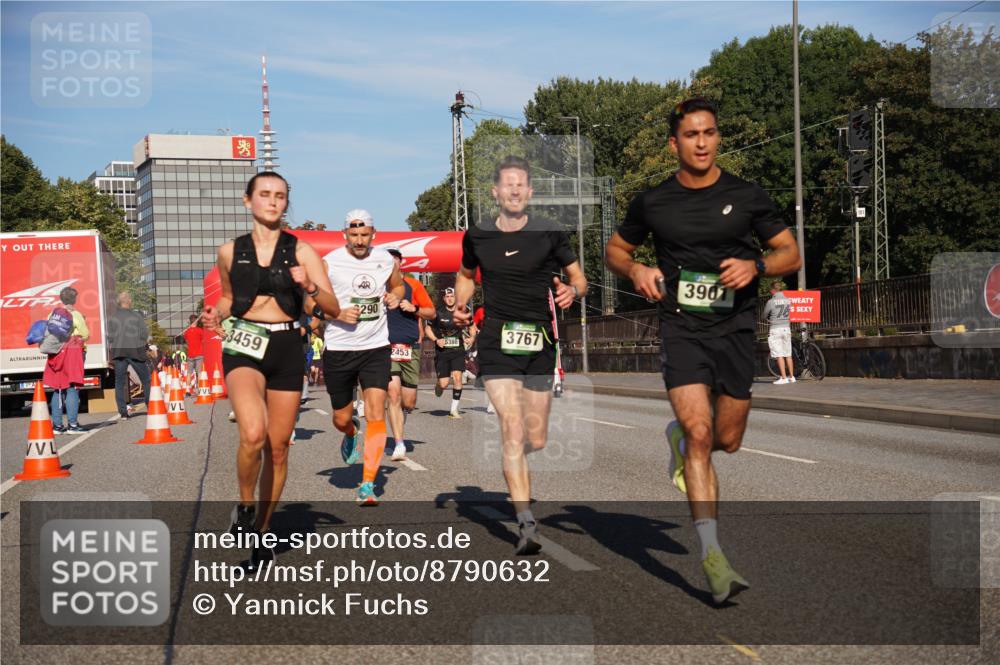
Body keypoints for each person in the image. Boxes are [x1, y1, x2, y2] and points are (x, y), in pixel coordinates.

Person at [605, 97, 801, 604]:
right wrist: (638, 270)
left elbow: (790, 252)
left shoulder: (747, 195)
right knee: (699, 434)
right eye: (691, 135)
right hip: (681, 327)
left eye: (709, 133)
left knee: (727, 441)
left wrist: (756, 267)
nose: (701, 142)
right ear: (675, 143)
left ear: (717, 138)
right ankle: (713, 555)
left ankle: (681, 441)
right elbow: (615, 250)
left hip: (735, 329)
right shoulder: (653, 202)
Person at [202, 171, 340, 566]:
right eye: (264, 194)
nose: (273, 202)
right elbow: (229, 298)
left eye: (280, 196)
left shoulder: (302, 251)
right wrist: (215, 313)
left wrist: (309, 287)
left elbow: (331, 308)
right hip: (244, 343)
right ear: (248, 201)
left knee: (278, 449)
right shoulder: (229, 251)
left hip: (286, 344)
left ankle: (262, 530)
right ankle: (246, 507)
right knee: (253, 433)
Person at [453, 155, 586, 554]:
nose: (513, 190)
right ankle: (526, 523)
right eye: (506, 184)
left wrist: (572, 291)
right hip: (496, 342)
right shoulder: (478, 235)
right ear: (495, 192)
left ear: (529, 192)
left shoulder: (548, 233)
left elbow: (580, 277)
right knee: (512, 428)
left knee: (537, 438)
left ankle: (518, 465)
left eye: (520, 184)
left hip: (539, 344)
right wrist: (462, 305)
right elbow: (464, 274)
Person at [321, 209, 405, 505]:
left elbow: (397, 284)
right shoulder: (329, 262)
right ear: (344, 234)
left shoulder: (384, 259)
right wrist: (335, 312)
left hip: (375, 347)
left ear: (373, 233)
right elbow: (308, 303)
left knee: (376, 411)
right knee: (341, 417)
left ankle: (367, 484)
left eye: (364, 235)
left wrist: (396, 295)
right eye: (354, 235)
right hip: (339, 348)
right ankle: (350, 431)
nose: (359, 240)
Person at [384, 247, 436, 461]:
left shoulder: (414, 285)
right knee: (393, 394)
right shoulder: (377, 285)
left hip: (410, 347)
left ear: (401, 263)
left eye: (394, 261)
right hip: (385, 347)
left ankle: (401, 420)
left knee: (409, 401)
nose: (391, 265)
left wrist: (413, 308)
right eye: (387, 261)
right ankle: (398, 443)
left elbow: (431, 312)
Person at [43, 287, 89, 434]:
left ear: (61, 299)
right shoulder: (75, 314)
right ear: (74, 299)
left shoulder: (53, 314)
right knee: (72, 387)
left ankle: (57, 426)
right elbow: (85, 334)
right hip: (72, 352)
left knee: (58, 388)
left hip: (56, 352)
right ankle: (73, 425)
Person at [426, 287, 472, 419]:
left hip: (458, 350)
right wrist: (436, 339)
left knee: (458, 378)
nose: (450, 298)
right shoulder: (437, 312)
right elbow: (428, 328)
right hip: (442, 351)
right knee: (444, 383)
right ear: (444, 298)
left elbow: (472, 326)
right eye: (447, 297)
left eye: (452, 296)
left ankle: (453, 409)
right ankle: (439, 385)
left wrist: (472, 337)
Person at [107, 291, 150, 418]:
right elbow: (144, 334)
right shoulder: (136, 316)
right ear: (129, 301)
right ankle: (150, 405)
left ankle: (123, 412)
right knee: (146, 380)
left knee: (119, 382)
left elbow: (110, 337)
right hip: (135, 350)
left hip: (119, 351)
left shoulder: (113, 317)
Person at [764, 280, 795, 384]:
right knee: (788, 354)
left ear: (773, 290)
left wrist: (768, 319)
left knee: (779, 354)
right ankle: (792, 377)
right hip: (787, 328)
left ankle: (783, 378)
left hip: (775, 329)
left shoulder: (771, 302)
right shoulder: (788, 300)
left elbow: (764, 315)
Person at [183, 314, 204, 393]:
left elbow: (186, 339)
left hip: (190, 355)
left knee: (189, 373)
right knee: (199, 372)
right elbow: (203, 340)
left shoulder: (187, 332)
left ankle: (187, 389)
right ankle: (200, 389)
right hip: (199, 354)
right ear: (196, 321)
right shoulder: (200, 330)